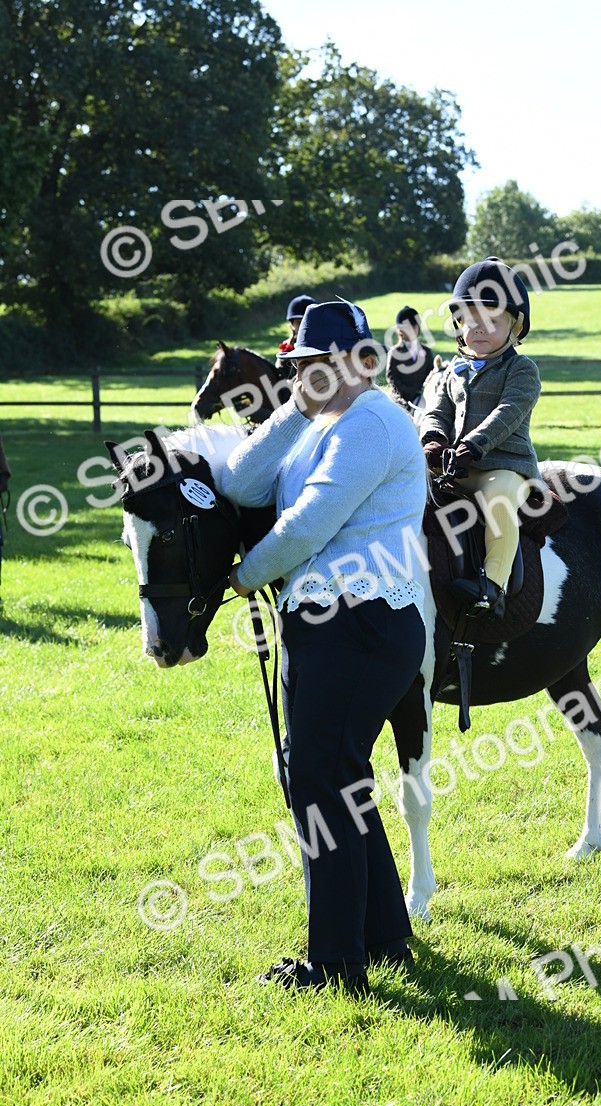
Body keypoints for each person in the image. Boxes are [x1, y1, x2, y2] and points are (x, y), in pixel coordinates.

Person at [221, 300, 427, 994]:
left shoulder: (371, 420)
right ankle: (384, 937)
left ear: (359, 361)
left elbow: (309, 524)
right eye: (302, 363)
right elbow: (241, 482)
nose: (311, 373)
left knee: (319, 781)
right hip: (320, 624)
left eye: (324, 363)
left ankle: (335, 962)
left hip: (364, 625)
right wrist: (293, 410)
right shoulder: (321, 421)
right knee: (333, 776)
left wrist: (245, 575)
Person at [418, 257, 541, 620]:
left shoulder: (522, 369)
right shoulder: (451, 372)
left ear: (515, 326)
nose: (479, 329)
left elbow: (507, 413)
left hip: (503, 466)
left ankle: (493, 587)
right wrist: (434, 440)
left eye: (491, 321)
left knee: (498, 498)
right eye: (471, 321)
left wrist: (472, 445)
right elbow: (435, 410)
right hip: (454, 466)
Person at [385, 305, 435, 420]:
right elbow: (392, 378)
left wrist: (423, 392)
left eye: (414, 326)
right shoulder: (395, 352)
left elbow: (431, 374)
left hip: (421, 396)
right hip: (400, 398)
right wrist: (407, 393)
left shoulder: (426, 352)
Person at [275, 294, 316, 381]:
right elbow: (278, 377)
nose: (302, 326)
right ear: (292, 325)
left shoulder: (324, 345)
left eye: (306, 321)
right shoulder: (286, 348)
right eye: (298, 322)